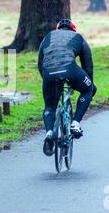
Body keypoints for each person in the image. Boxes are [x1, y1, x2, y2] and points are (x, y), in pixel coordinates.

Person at [37, 19, 97, 156]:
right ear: (73, 29)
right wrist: (89, 84)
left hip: (48, 72)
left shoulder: (48, 37)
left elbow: (40, 64)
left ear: (58, 29)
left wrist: (49, 82)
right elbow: (88, 66)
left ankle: (49, 133)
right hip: (70, 69)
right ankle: (75, 123)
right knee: (89, 89)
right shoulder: (78, 37)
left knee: (50, 106)